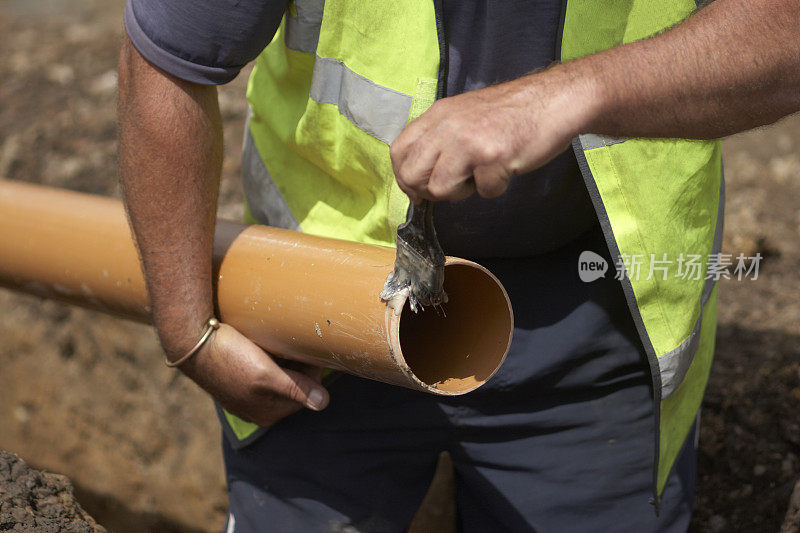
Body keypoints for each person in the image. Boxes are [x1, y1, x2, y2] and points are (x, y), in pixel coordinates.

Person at [118, 0, 800, 531]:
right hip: (323, 315)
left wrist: (570, 94)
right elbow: (166, 58)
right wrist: (187, 329)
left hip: (597, 319)